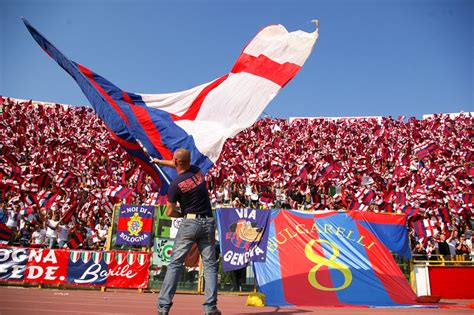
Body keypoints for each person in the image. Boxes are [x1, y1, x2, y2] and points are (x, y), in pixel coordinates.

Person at [152, 148, 220, 315]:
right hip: (208, 221)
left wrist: (182, 214)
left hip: (190, 222)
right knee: (210, 266)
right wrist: (160, 162)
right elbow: (179, 163)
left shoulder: (175, 185)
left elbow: (169, 212)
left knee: (175, 263)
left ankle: (163, 306)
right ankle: (210, 307)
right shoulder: (197, 171)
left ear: (176, 162)